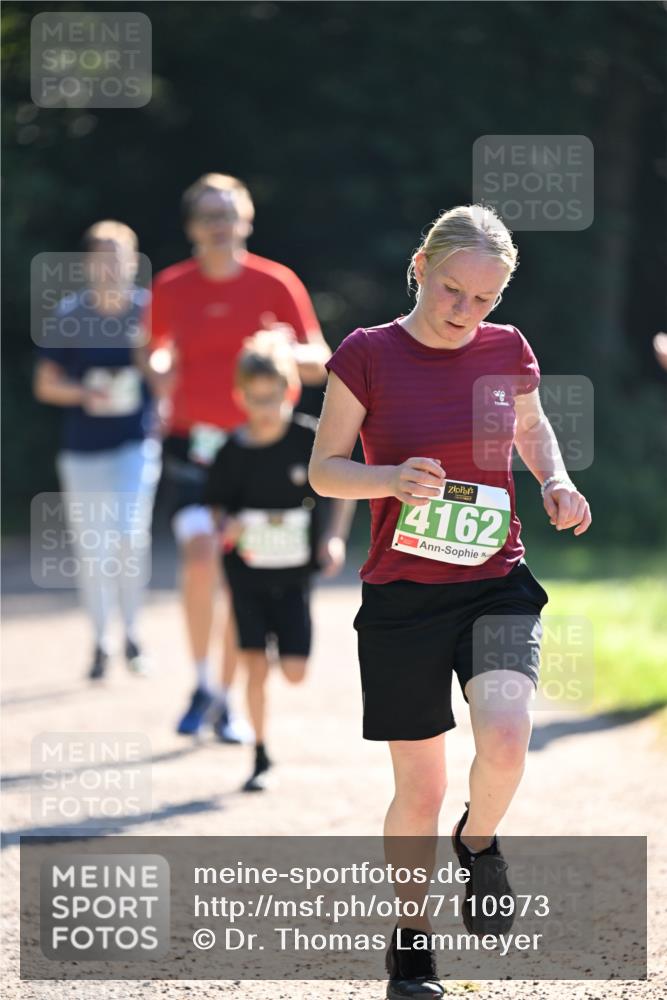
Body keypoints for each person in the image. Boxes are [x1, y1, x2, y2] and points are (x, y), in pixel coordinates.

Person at [308, 204, 591, 999]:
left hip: (493, 579)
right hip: (401, 594)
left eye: (483, 300)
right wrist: (387, 479)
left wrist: (556, 482)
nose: (466, 313)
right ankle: (411, 945)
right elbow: (325, 469)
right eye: (452, 291)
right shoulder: (365, 354)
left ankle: (479, 841)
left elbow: (533, 432)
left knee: (505, 734)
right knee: (420, 788)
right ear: (420, 266)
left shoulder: (508, 350)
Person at [142, 173, 331, 740]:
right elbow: (150, 354)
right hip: (195, 451)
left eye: (229, 212)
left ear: (246, 220)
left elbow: (319, 359)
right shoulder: (172, 287)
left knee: (241, 579)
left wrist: (283, 349)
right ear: (192, 226)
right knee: (202, 558)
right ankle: (203, 684)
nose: (219, 223)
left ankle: (227, 697)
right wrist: (158, 370)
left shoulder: (276, 284)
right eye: (208, 214)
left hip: (264, 453)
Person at [204, 331, 354, 791]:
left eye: (275, 397)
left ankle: (268, 667)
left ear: (289, 391)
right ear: (240, 396)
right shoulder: (231, 451)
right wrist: (224, 527)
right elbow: (216, 509)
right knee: (254, 665)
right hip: (246, 576)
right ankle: (260, 753)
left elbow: (342, 487)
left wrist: (333, 537)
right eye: (256, 399)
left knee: (293, 671)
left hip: (294, 578)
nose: (266, 408)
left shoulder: (307, 439)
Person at [34, 220, 161, 680]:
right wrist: (86, 393)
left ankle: (133, 634)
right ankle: (101, 641)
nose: (110, 265)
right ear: (88, 264)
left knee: (130, 537)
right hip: (82, 451)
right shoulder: (71, 314)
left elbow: (168, 373)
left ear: (132, 261)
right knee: (95, 549)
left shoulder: (150, 312)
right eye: (102, 255)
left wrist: (158, 372)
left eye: (119, 254)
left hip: (136, 444)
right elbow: (46, 385)